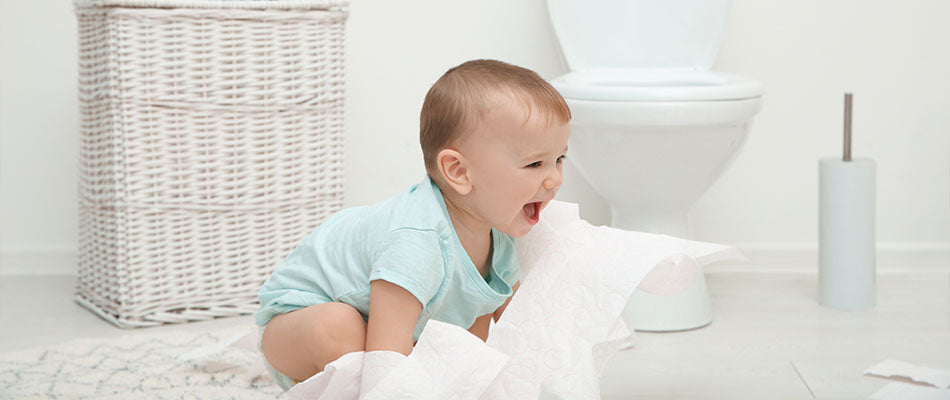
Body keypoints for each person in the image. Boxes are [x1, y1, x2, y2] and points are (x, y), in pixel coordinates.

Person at [255, 59, 571, 390]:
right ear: (460, 172)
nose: (554, 179)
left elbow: (518, 332)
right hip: (295, 328)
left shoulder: (499, 238)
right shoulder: (415, 239)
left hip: (375, 332)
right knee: (341, 326)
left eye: (559, 159)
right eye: (535, 163)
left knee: (467, 339)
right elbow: (386, 351)